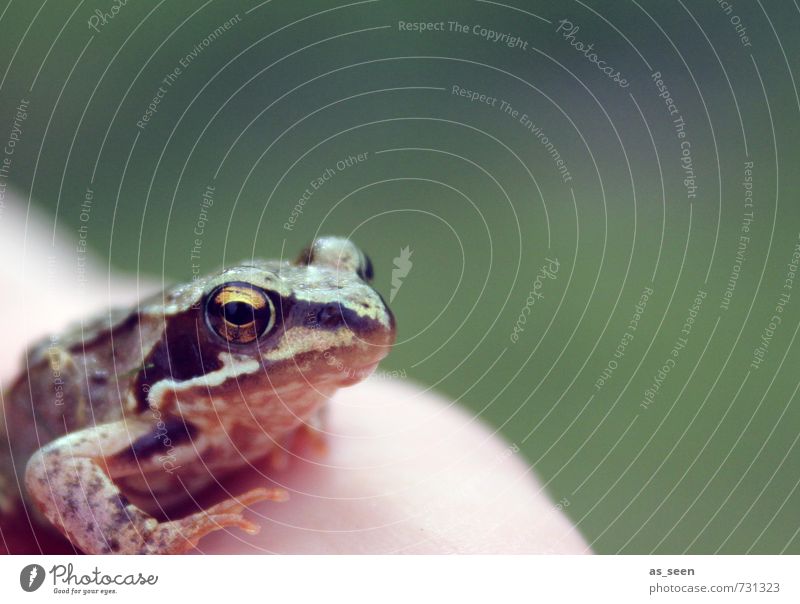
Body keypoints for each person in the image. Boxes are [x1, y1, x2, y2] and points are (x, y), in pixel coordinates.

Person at [0, 193, 589, 554]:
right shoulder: (156, 422)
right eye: (243, 317)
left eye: (354, 270)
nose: (351, 310)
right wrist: (137, 544)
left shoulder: (279, 378)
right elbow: (54, 467)